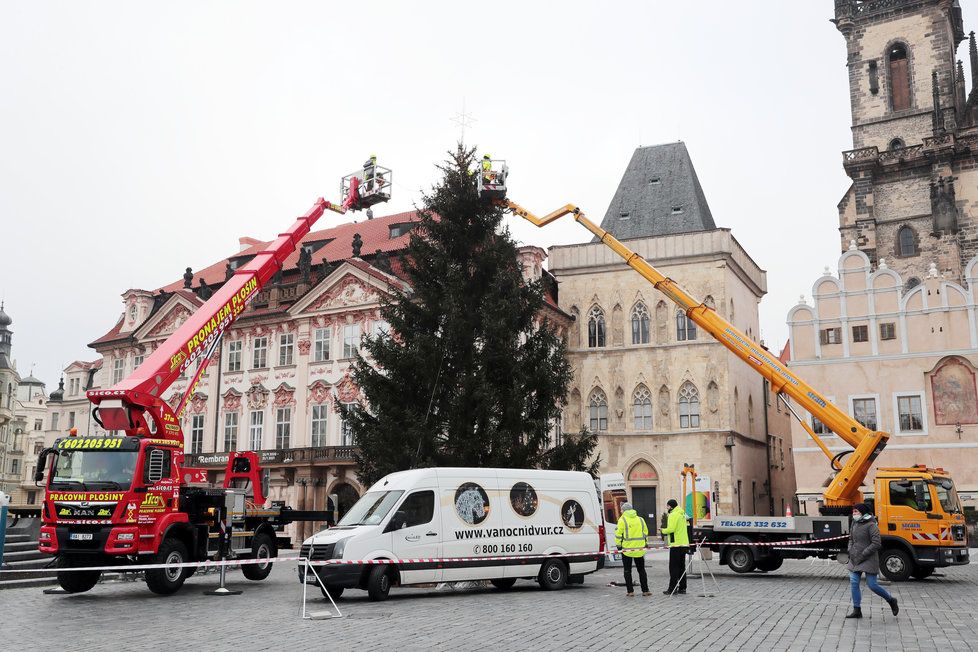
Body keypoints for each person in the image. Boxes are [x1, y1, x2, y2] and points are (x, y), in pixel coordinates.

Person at [846, 503, 899, 619]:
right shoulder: (854, 523)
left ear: (863, 512)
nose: (854, 514)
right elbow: (851, 538)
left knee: (872, 585)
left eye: (856, 512)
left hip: (868, 558)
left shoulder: (871, 525)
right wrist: (850, 550)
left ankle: (891, 600)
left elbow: (876, 543)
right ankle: (857, 610)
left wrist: (864, 553)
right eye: (853, 511)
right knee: (854, 583)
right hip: (855, 558)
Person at [614, 501, 650, 596]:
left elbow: (618, 535)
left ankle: (630, 591)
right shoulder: (641, 519)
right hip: (639, 549)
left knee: (627, 570)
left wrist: (618, 545)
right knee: (641, 570)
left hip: (627, 550)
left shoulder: (622, 520)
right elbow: (645, 532)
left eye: (622, 509)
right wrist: (645, 543)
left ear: (624, 510)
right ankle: (645, 590)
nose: (621, 511)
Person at [661, 498, 689, 595]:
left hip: (676, 544)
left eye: (668, 506)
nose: (667, 508)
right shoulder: (682, 514)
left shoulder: (673, 515)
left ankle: (672, 589)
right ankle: (683, 588)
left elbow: (671, 529)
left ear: (671, 506)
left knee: (673, 567)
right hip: (683, 543)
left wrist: (662, 530)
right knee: (682, 566)